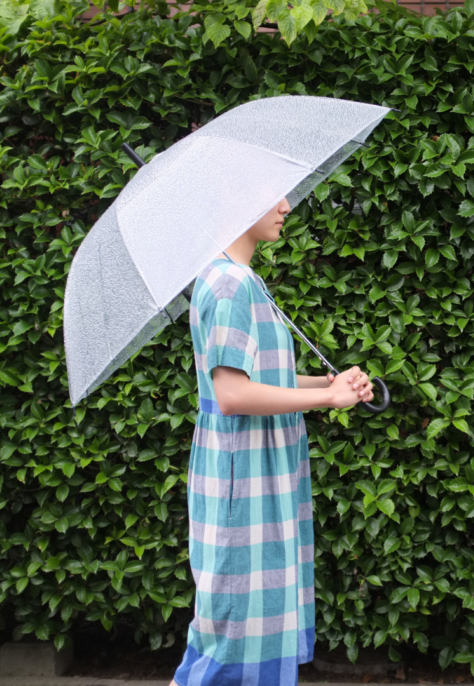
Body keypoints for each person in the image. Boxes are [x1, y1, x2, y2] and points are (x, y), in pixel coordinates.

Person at [170, 197, 374, 686]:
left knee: (240, 626)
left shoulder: (240, 279)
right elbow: (232, 393)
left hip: (255, 472)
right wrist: (328, 403)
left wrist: (327, 385)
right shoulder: (228, 283)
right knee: (230, 633)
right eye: (271, 195)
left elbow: (264, 376)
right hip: (245, 477)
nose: (286, 205)